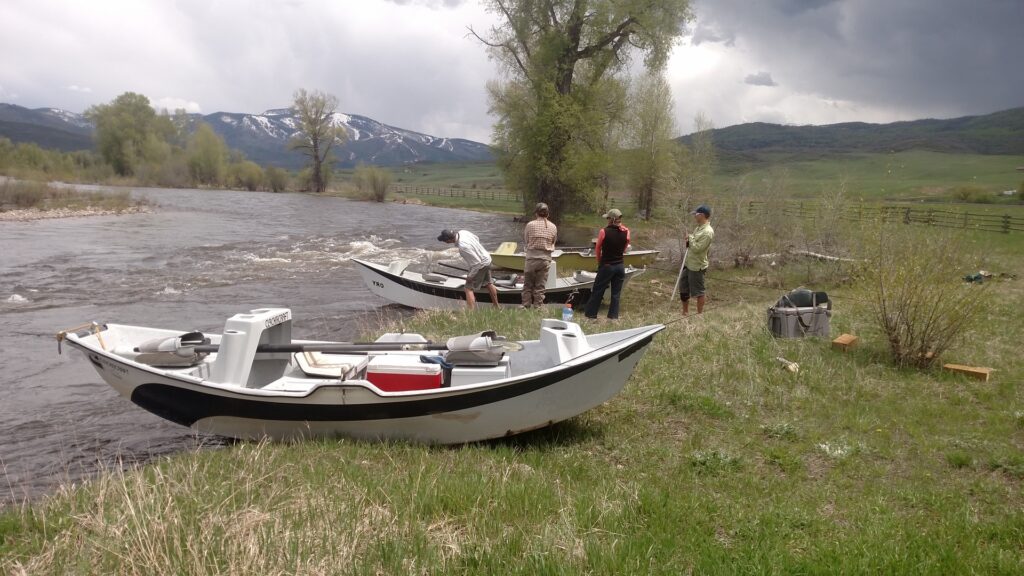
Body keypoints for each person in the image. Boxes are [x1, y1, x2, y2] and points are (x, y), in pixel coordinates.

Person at [584, 208, 631, 320]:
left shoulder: (603, 231)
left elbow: (598, 248)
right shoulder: (627, 231)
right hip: (620, 266)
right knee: (616, 293)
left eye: (608, 218)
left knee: (598, 290)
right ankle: (613, 317)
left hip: (607, 265)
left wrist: (600, 262)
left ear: (611, 220)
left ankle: (591, 315)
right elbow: (624, 249)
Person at [437, 229, 500, 309]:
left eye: (444, 240)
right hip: (487, 258)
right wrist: (477, 250)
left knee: (468, 288)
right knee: (488, 283)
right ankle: (496, 306)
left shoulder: (463, 247)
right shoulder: (463, 232)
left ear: (449, 240)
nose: (444, 242)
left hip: (481, 264)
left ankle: (470, 313)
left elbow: (477, 264)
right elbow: (476, 238)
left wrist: (470, 276)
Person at [680, 204, 715, 315]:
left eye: (696, 214)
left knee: (698, 292)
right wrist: (688, 240)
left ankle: (699, 315)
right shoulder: (698, 227)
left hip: (697, 266)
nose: (695, 216)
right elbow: (691, 245)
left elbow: (697, 249)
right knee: (683, 288)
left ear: (703, 215)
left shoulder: (708, 232)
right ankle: (685, 313)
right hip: (688, 263)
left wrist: (689, 237)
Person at [522, 202, 558, 308]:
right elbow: (553, 242)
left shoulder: (530, 225)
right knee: (540, 286)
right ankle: (538, 306)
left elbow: (526, 240)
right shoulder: (553, 227)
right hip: (545, 259)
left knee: (528, 284)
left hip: (531, 258)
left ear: (536, 213)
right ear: (547, 214)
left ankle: (526, 305)